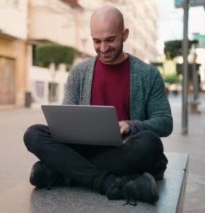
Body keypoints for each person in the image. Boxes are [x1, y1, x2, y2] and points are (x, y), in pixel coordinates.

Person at [23, 5, 172, 205]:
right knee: (33, 134)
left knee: (150, 144)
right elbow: (66, 122)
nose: (103, 48)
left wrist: (131, 125)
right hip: (85, 149)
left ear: (125, 34)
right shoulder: (79, 73)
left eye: (110, 40)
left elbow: (164, 123)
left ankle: (63, 173)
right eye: (97, 41)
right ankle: (110, 183)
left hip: (125, 150)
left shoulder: (148, 74)